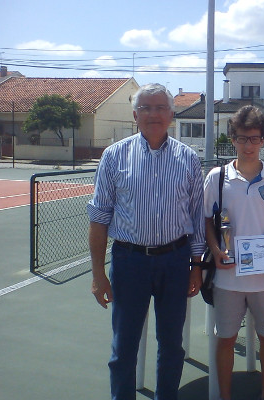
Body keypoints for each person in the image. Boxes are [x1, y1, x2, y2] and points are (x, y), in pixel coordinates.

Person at [87, 83, 205, 400]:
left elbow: (196, 219)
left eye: (160, 107)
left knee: (171, 345)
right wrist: (98, 274)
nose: (153, 114)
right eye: (146, 108)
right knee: (123, 346)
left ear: (171, 114)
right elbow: (98, 218)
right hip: (129, 262)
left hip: (175, 261)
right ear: (135, 115)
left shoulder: (189, 159)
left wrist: (196, 266)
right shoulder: (114, 157)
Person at [204, 105, 264, 400]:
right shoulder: (216, 178)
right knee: (226, 340)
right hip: (227, 279)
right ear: (232, 140)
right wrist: (217, 251)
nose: (248, 146)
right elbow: (207, 221)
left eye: (254, 139)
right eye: (242, 139)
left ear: (263, 140)